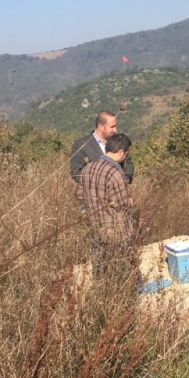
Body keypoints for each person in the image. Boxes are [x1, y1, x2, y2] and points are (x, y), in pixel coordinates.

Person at [81, 133, 136, 274]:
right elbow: (121, 204)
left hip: (95, 226)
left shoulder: (87, 168)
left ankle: (100, 288)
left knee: (100, 265)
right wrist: (129, 202)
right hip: (114, 230)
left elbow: (80, 194)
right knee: (119, 267)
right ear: (121, 151)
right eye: (126, 153)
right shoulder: (115, 172)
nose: (126, 157)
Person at [70, 110, 135, 203]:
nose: (115, 130)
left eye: (116, 126)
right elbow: (76, 172)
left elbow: (128, 161)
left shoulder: (117, 141)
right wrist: (98, 184)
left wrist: (125, 179)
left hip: (118, 196)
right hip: (93, 200)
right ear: (101, 127)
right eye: (112, 127)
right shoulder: (81, 145)